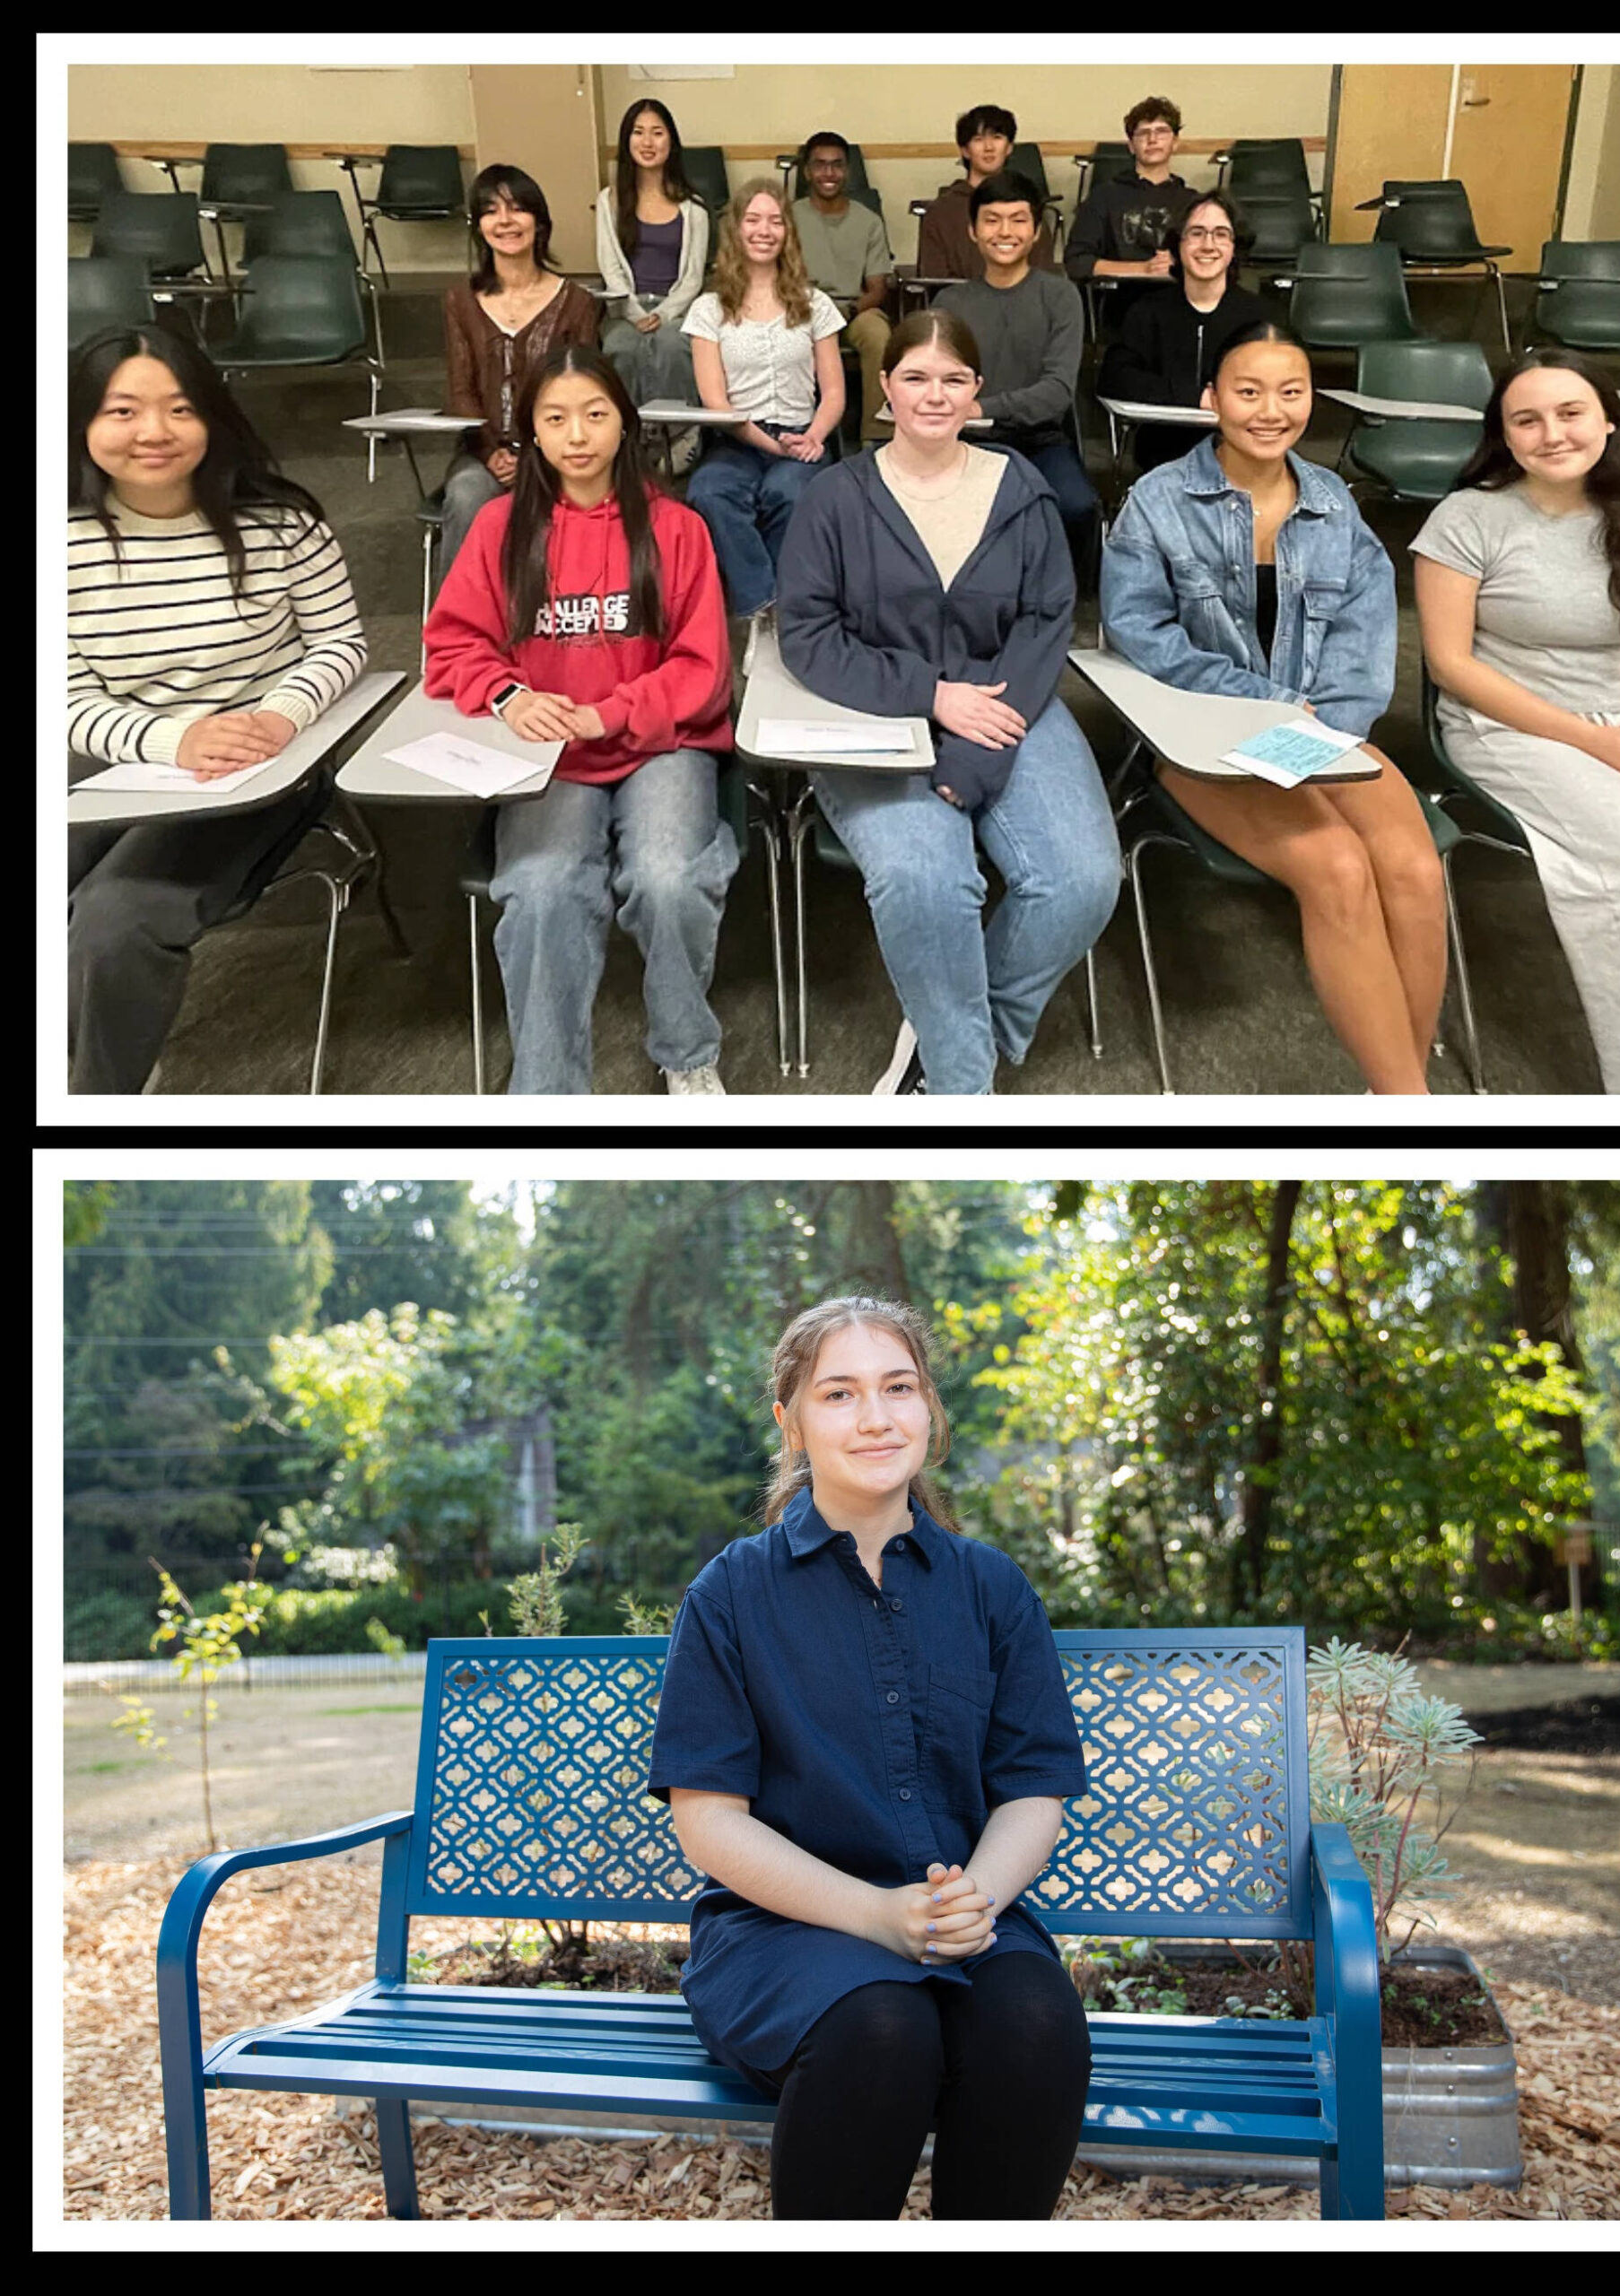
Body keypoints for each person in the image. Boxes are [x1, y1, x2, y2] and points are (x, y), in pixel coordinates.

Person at [649, 1295, 1094, 2221]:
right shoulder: (731, 1594)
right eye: (839, 1393)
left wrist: (973, 1899)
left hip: (968, 1917)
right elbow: (709, 1822)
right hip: (784, 1930)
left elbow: (1033, 1787)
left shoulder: (991, 1588)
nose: (876, 1416)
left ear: (929, 1405)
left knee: (1036, 2022)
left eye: (898, 1387)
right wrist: (877, 1914)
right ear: (793, 1422)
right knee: (881, 2027)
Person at [776, 309, 1120, 1097]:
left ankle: (946, 1034)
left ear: (977, 395)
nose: (935, 395)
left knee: (1081, 882)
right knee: (928, 884)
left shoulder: (1022, 491)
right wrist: (930, 697)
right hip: (876, 712)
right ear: (885, 390)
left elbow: (1045, 620)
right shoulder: (833, 497)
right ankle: (961, 1089)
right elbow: (808, 636)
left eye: (954, 380)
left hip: (1008, 697)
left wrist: (979, 738)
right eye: (915, 378)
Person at [1101, 321, 1447, 1096]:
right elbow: (1140, 636)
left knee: (1416, 869)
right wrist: (1274, 706)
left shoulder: (1333, 504)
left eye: (1290, 392)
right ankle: (1408, 1103)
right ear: (1211, 398)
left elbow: (1364, 640)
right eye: (1247, 391)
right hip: (1205, 738)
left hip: (1326, 731)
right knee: (1336, 867)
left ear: (1310, 401)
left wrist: (1324, 729)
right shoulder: (1157, 502)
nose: (1269, 410)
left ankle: (1398, 1093)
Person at [422, 345, 737, 1098]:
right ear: (530, 431)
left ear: (624, 426)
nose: (577, 435)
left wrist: (612, 712)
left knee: (667, 880)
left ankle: (685, 1050)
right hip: (550, 752)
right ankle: (549, 1091)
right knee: (541, 887)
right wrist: (508, 697)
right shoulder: (499, 525)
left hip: (661, 743)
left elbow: (703, 669)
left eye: (595, 415)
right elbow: (451, 644)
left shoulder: (677, 527)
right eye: (555, 418)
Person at [67, 326, 366, 1096]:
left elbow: (339, 643)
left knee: (115, 919)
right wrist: (174, 739)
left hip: (262, 769)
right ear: (81, 422)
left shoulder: (283, 521)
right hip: (123, 767)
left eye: (178, 409)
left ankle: (100, 1102)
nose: (154, 433)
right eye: (122, 411)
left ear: (212, 415)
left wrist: (280, 717)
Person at [1413, 348, 1620, 1095]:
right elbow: (1451, 665)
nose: (1551, 433)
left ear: (1607, 419)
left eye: (1570, 412)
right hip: (1508, 730)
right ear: (1503, 436)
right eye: (1526, 419)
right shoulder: (1468, 517)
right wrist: (1595, 744)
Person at [684, 178, 846, 626]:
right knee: (709, 492)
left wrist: (813, 437)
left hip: (803, 435)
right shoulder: (708, 309)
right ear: (736, 229)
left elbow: (833, 391)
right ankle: (765, 609)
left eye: (775, 221)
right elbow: (716, 402)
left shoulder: (816, 305)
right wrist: (771, 447)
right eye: (753, 220)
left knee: (789, 493)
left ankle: (791, 613)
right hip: (736, 439)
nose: (764, 230)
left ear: (788, 232)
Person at [439, 164, 602, 578]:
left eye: (517, 209)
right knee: (466, 493)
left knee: (573, 496)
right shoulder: (460, 302)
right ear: (479, 225)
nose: (505, 221)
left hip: (558, 453)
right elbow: (462, 392)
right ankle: (458, 637)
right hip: (481, 453)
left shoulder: (577, 302)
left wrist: (534, 453)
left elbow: (582, 392)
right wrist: (492, 453)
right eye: (491, 211)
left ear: (539, 221)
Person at [934, 173, 1096, 578]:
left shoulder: (1060, 296)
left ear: (1036, 231)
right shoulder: (950, 302)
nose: (1005, 232)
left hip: (1041, 441)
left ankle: (1059, 606)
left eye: (1018, 219)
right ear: (972, 231)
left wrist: (980, 407)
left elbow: (1056, 392)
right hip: (965, 444)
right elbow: (938, 380)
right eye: (992, 220)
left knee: (1076, 505)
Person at [1097, 189, 1271, 470]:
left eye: (1221, 234)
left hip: (1241, 458)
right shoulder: (1148, 311)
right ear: (1178, 245)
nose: (1208, 245)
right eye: (1197, 233)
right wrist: (1196, 397)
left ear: (1234, 248)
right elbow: (1114, 377)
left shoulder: (1261, 317)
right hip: (1162, 459)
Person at [595, 97, 710, 455]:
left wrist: (663, 314)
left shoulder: (694, 206)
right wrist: (635, 313)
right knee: (621, 347)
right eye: (638, 133)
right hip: (625, 308)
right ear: (627, 141)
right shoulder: (609, 200)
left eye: (657, 133)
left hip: (676, 310)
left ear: (671, 141)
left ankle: (681, 434)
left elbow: (693, 277)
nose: (648, 142)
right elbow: (609, 267)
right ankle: (629, 434)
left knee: (673, 345)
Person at [791, 130, 895, 443]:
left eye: (837, 165)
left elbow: (877, 288)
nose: (829, 173)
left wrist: (848, 311)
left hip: (853, 310)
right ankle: (797, 429)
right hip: (801, 308)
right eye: (820, 165)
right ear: (807, 172)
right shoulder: (788, 217)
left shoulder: (869, 221)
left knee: (878, 333)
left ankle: (877, 438)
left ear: (847, 171)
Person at [1064, 95, 1195, 300]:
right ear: (1131, 146)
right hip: (1119, 302)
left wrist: (1179, 262)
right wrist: (1144, 269)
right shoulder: (1104, 196)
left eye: (1161, 131)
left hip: (1179, 302)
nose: (1152, 140)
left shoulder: (1193, 202)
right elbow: (1077, 262)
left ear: (1175, 142)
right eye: (1143, 133)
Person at [916, 103, 1058, 281]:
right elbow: (934, 282)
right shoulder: (941, 211)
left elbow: (1044, 277)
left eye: (997, 137)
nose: (989, 147)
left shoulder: (1025, 207)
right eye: (978, 139)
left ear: (1009, 147)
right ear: (965, 150)